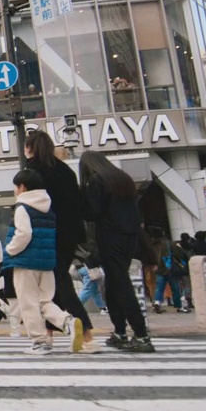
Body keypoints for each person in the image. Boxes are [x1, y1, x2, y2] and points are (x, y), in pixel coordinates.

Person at [24, 130, 95, 347]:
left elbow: (32, 206)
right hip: (70, 234)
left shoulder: (33, 171)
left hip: (47, 234)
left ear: (30, 148)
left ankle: (87, 332)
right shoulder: (65, 170)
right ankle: (49, 333)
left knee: (59, 283)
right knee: (52, 283)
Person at [80, 151, 154, 353]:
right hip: (129, 237)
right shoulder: (122, 179)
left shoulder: (97, 181)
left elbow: (92, 213)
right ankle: (120, 332)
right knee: (114, 285)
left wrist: (82, 196)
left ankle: (141, 335)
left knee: (121, 285)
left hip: (110, 236)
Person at [1, 169, 79, 355]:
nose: (15, 191)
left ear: (22, 187)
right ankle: (68, 322)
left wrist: (10, 250)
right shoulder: (48, 208)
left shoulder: (22, 207)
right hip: (46, 263)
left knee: (28, 303)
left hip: (26, 261)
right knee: (45, 301)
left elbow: (24, 234)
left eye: (16, 187)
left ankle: (39, 342)